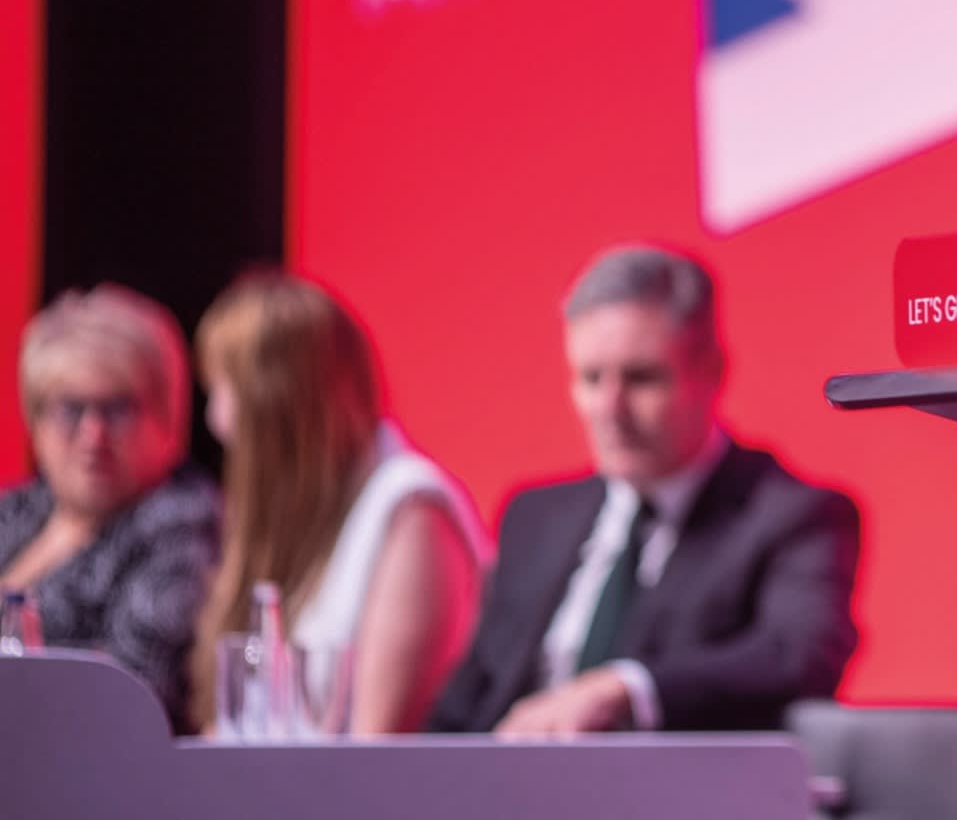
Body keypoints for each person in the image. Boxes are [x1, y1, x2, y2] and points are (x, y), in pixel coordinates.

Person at [427, 244, 861, 735]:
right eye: (591, 379)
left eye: (641, 379)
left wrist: (627, 689)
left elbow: (796, 654)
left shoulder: (790, 516)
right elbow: (467, 701)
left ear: (713, 372)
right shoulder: (534, 516)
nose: (610, 408)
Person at [188, 271, 484, 734]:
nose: (216, 420)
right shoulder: (307, 522)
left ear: (278, 405)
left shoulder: (410, 510)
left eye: (223, 391)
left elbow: (373, 753)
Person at [0, 286, 220, 730]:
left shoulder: (182, 524)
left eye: (117, 408)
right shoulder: (18, 509)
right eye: (71, 408)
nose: (93, 436)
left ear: (166, 414)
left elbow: (126, 696)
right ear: (35, 418)